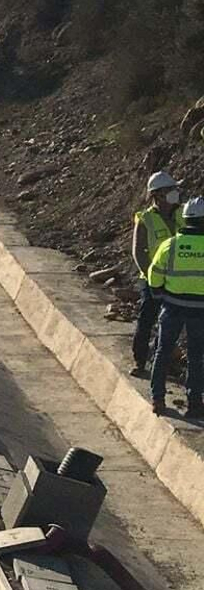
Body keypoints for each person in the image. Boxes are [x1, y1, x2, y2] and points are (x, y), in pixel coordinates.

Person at [148, 194, 204, 418]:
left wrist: (159, 295)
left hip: (171, 307)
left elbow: (154, 275)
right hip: (199, 311)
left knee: (163, 351)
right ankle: (194, 403)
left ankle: (158, 399)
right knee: (196, 356)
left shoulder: (169, 245)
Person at [133, 170, 183, 376]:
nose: (176, 193)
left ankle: (164, 360)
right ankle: (140, 361)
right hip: (153, 282)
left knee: (172, 326)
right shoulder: (146, 219)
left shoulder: (183, 214)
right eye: (171, 190)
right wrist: (154, 280)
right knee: (147, 321)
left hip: (177, 281)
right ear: (159, 195)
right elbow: (139, 253)